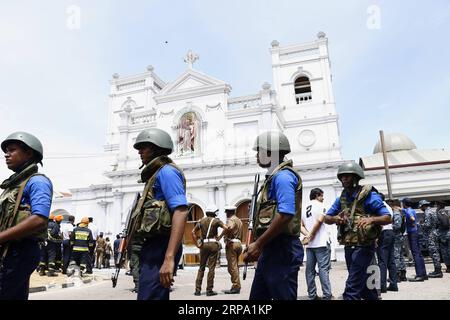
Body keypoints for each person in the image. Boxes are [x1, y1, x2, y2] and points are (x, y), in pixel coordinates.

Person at [243, 131, 304, 300]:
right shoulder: (272, 178)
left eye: (259, 151)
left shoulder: (283, 177)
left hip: (282, 249)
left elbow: (286, 214)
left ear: (271, 153)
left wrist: (258, 244)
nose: (256, 156)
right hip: (271, 249)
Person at [131, 128, 189, 300]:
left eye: (145, 147)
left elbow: (181, 210)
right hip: (153, 246)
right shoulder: (155, 175)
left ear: (157, 148)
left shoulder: (167, 172)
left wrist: (169, 258)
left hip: (162, 246)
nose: (140, 152)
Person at [324, 161, 391, 300]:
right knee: (365, 285)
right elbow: (327, 218)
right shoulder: (341, 198)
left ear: (356, 177)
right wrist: (337, 219)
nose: (344, 179)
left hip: (364, 247)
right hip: (349, 246)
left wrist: (371, 220)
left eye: (347, 176)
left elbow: (387, 218)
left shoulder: (368, 196)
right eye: (342, 177)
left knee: (352, 286)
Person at [0, 132, 52, 299]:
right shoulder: (12, 185)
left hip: (19, 252)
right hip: (9, 251)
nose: (6, 155)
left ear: (29, 153)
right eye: (5, 151)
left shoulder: (37, 181)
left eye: (12, 150)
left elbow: (39, 220)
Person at [302, 188, 333, 300]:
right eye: (321, 196)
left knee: (309, 270)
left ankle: (312, 295)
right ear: (317, 195)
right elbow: (320, 221)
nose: (323, 198)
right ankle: (327, 294)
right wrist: (312, 235)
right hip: (321, 242)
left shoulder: (304, 207)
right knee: (323, 269)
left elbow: (300, 225)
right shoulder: (321, 205)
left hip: (310, 245)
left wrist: (308, 235)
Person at [192, 205, 228, 296]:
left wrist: (196, 243)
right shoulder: (216, 221)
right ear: (214, 212)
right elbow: (226, 228)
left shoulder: (201, 221)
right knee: (211, 268)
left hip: (203, 245)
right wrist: (219, 237)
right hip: (213, 244)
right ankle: (209, 290)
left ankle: (197, 290)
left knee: (201, 268)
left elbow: (193, 232)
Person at [376, 195, 398, 292]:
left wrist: (376, 237)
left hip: (383, 233)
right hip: (391, 232)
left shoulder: (379, 206)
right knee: (391, 260)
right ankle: (393, 284)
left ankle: (382, 286)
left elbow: (380, 224)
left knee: (382, 261)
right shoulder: (388, 207)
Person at [402, 198, 428, 281]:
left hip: (412, 233)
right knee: (419, 253)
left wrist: (413, 222)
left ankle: (420, 275)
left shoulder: (408, 210)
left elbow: (412, 218)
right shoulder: (412, 210)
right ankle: (423, 274)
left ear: (405, 204)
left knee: (415, 253)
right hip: (415, 232)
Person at [220, 205, 243, 295]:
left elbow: (229, 227)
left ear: (229, 212)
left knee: (232, 267)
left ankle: (236, 286)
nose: (226, 214)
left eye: (226, 212)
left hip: (232, 243)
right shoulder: (239, 220)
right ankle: (236, 285)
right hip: (238, 244)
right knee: (235, 266)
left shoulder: (231, 220)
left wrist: (220, 236)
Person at [419, 200, 443, 278]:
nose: (420, 208)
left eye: (421, 207)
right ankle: (437, 269)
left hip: (430, 235)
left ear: (423, 206)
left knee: (434, 253)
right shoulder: (432, 211)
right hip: (434, 233)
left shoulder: (427, 212)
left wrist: (420, 224)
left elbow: (428, 225)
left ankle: (438, 271)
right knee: (436, 252)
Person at [389, 199, 407, 282]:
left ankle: (397, 275)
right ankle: (403, 273)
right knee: (400, 255)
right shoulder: (400, 213)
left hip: (396, 236)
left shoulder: (396, 213)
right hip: (399, 236)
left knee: (396, 255)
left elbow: (397, 226)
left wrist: (389, 226)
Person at [436, 200, 450, 273]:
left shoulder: (441, 212)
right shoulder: (447, 211)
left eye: (437, 205)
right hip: (447, 233)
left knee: (445, 251)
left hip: (444, 235)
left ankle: (449, 267)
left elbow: (445, 224)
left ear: (439, 205)